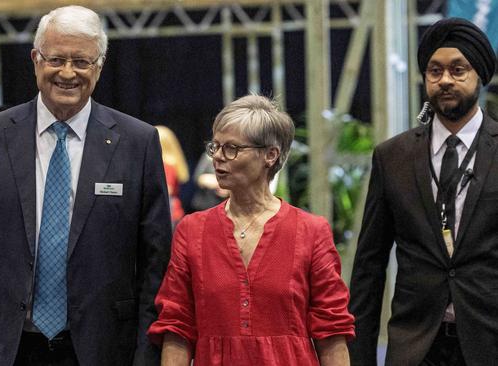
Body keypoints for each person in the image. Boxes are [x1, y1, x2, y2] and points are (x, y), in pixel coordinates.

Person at [0, 5, 172, 366]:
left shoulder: (138, 143)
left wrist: (148, 357)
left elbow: (155, 268)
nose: (68, 73)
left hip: (104, 350)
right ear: (36, 60)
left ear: (99, 66)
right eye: (56, 59)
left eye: (82, 62)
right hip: (6, 349)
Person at [148, 95, 354, 365]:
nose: (218, 158)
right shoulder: (192, 230)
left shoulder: (311, 231)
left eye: (232, 148)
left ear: (270, 154)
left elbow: (332, 332)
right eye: (215, 147)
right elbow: (177, 327)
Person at [348, 18, 498, 366]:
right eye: (435, 70)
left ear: (479, 76)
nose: (445, 79)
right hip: (415, 347)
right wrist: (360, 357)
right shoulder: (393, 156)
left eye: (458, 70)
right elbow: (368, 267)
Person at [155, 125, 189, 226]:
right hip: (173, 211)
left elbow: (167, 189)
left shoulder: (166, 165)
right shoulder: (172, 163)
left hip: (169, 211)